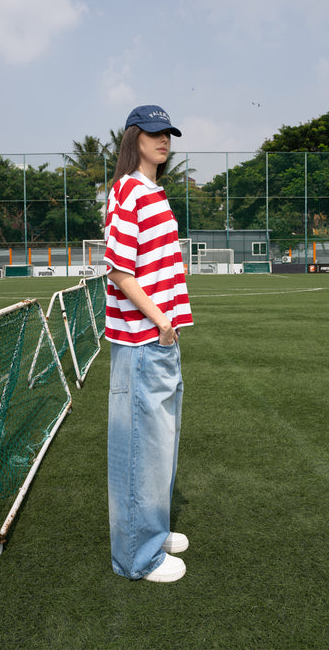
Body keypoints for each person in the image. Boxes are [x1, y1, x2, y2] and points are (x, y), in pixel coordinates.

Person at [103, 105, 194, 582]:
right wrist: (160, 320)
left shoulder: (154, 192)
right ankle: (138, 557)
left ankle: (153, 532)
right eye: (155, 133)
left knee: (161, 445)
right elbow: (118, 269)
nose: (164, 141)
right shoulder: (127, 191)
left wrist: (168, 327)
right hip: (143, 339)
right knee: (141, 447)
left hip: (161, 338)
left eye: (169, 134)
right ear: (135, 137)